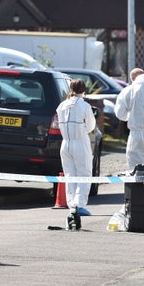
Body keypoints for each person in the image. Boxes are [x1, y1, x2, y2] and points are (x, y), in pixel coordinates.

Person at [56, 79, 97, 218]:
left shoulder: (62, 105)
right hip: (80, 142)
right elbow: (91, 126)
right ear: (84, 90)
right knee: (84, 174)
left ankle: (71, 205)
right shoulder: (85, 106)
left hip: (65, 143)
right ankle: (79, 205)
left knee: (70, 175)